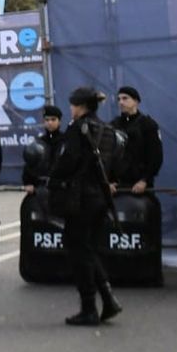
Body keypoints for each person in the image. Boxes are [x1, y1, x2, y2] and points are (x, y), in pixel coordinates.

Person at [49, 87, 121, 326]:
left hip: (80, 199)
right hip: (100, 197)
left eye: (73, 104)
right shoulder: (109, 130)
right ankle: (108, 300)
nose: (71, 108)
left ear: (80, 106)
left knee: (79, 252)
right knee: (89, 250)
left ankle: (89, 308)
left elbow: (67, 161)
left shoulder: (77, 129)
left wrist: (53, 176)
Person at [109, 86, 164, 196]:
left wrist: (145, 180)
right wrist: (108, 181)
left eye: (125, 98)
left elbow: (155, 155)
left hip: (140, 186)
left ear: (136, 101)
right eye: (119, 99)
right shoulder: (113, 125)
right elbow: (107, 155)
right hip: (117, 186)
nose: (121, 102)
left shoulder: (148, 125)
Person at [22, 105, 64, 193]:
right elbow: (30, 165)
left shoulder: (65, 141)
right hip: (40, 188)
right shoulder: (39, 142)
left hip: (61, 189)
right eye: (47, 120)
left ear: (59, 121)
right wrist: (28, 182)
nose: (50, 123)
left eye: (53, 119)